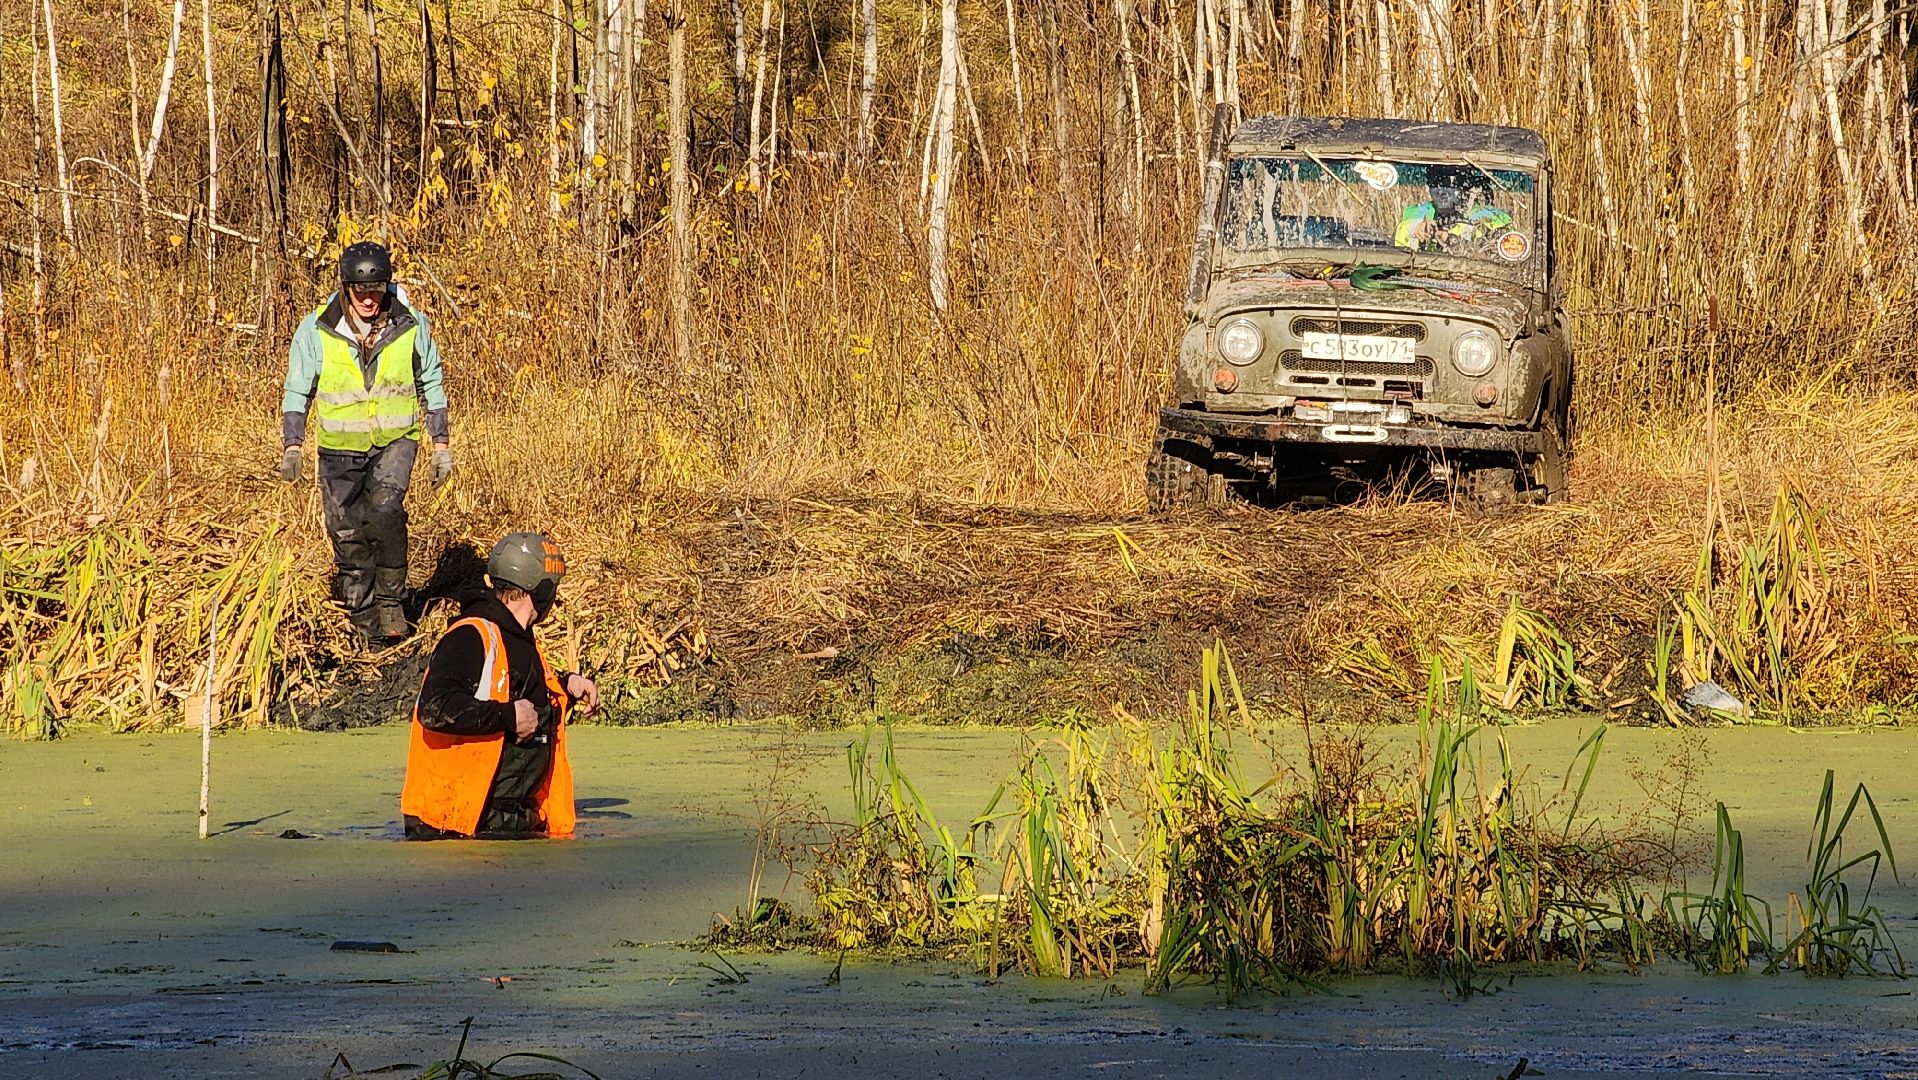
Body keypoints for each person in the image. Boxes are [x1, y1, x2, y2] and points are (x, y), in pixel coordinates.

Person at [277, 241, 453, 643]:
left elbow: (432, 383)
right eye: (361, 292)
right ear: (346, 287)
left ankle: (391, 600)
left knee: (386, 510)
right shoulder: (316, 329)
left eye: (377, 290)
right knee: (346, 529)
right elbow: (297, 389)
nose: (370, 299)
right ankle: (362, 614)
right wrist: (292, 445)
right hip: (339, 448)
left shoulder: (411, 326)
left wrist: (440, 445)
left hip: (396, 439)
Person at [401, 532, 601, 840]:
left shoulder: (519, 639)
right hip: (453, 832)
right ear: (541, 590)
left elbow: (517, 694)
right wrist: (508, 717)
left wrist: (567, 686)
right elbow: (435, 708)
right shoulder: (469, 636)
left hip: (508, 824)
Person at [1394, 169, 1513, 254]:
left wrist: (1449, 238)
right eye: (1435, 184)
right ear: (1429, 188)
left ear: (1463, 187)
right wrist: (1418, 229)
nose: (1442, 191)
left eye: (1448, 185)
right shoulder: (1419, 211)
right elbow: (1405, 227)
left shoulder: (1494, 217)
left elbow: (1506, 251)